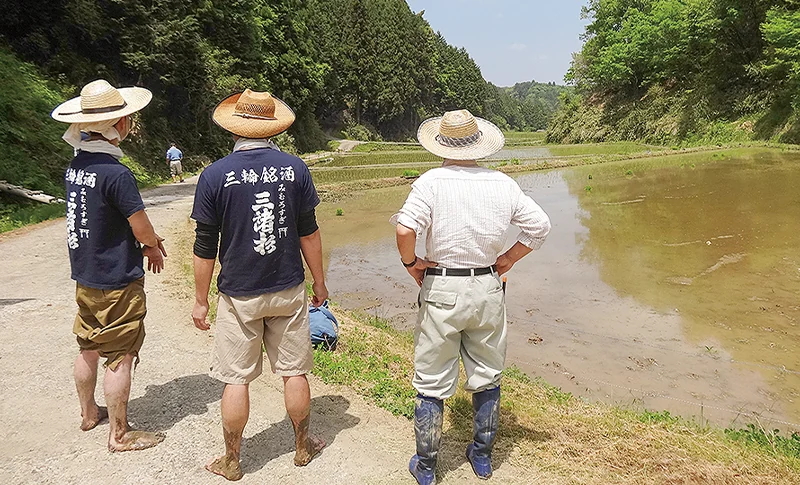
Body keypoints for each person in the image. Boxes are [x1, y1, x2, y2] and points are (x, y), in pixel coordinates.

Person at [392, 110, 551, 483]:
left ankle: (428, 467)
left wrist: (412, 263)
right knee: (487, 374)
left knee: (431, 379)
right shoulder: (502, 183)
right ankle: (481, 457)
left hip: (442, 286)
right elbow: (539, 226)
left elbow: (404, 228)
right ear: (478, 145)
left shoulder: (431, 182)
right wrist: (508, 258)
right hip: (486, 287)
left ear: (440, 144)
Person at [191, 89, 328, 481]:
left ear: (234, 128)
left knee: (236, 379)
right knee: (294, 371)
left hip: (238, 295)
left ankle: (232, 460)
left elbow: (205, 246)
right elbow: (309, 233)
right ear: (272, 128)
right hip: (288, 289)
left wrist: (201, 300)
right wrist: (319, 281)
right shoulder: (295, 169)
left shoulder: (214, 175)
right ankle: (302, 446)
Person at [51, 79, 168, 452]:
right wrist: (152, 246)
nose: (130, 123)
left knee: (87, 344)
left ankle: (89, 414)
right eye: (127, 118)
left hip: (85, 274)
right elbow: (139, 224)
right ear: (117, 125)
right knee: (121, 352)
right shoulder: (116, 174)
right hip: (116, 277)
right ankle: (119, 433)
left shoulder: (76, 167)